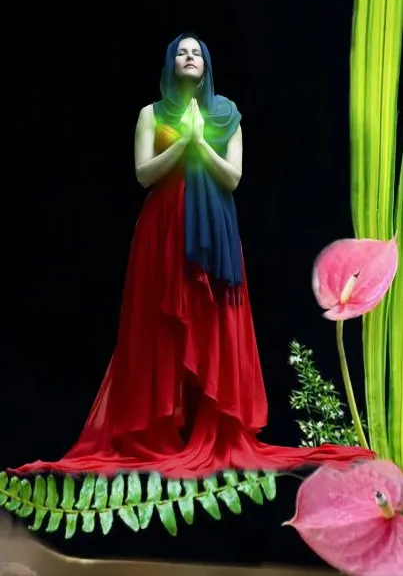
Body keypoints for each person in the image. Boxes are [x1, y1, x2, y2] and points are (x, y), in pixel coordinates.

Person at [12, 33, 373, 478]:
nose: (188, 57)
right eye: (181, 52)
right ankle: (158, 432)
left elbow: (233, 178)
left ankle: (212, 430)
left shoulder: (227, 115)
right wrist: (183, 143)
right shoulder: (151, 114)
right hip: (162, 233)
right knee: (160, 329)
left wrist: (201, 141)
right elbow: (144, 174)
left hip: (216, 236)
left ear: (206, 65)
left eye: (196, 53)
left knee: (211, 325)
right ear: (169, 63)